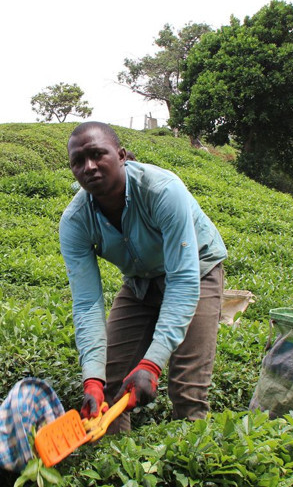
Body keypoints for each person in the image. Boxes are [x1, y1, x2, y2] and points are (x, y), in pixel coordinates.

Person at [59, 122, 227, 433]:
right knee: (109, 383)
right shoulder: (75, 221)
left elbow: (182, 279)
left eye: (98, 155)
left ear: (121, 155)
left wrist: (151, 364)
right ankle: (117, 464)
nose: (89, 167)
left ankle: (190, 465)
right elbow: (86, 304)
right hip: (140, 280)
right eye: (78, 161)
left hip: (197, 271)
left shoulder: (162, 190)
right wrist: (92, 377)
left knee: (186, 389)